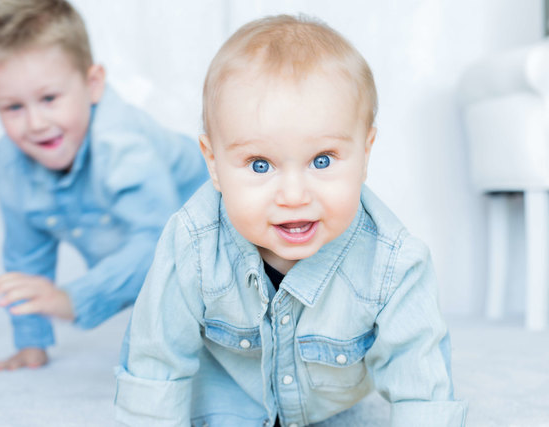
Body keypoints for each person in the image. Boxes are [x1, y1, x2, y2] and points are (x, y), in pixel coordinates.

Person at [114, 14, 466, 426]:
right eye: (260, 165)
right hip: (230, 391)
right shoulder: (192, 242)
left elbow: (422, 387)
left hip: (328, 404)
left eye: (322, 161)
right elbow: (157, 358)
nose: (295, 196)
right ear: (213, 163)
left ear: (365, 153)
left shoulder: (393, 262)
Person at [0, 0, 208, 371]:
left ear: (93, 84)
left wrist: (73, 299)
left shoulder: (121, 144)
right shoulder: (11, 161)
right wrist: (32, 340)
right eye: (12, 107)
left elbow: (160, 243)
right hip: (163, 262)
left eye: (49, 98)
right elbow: (26, 255)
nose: (35, 122)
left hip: (221, 231)